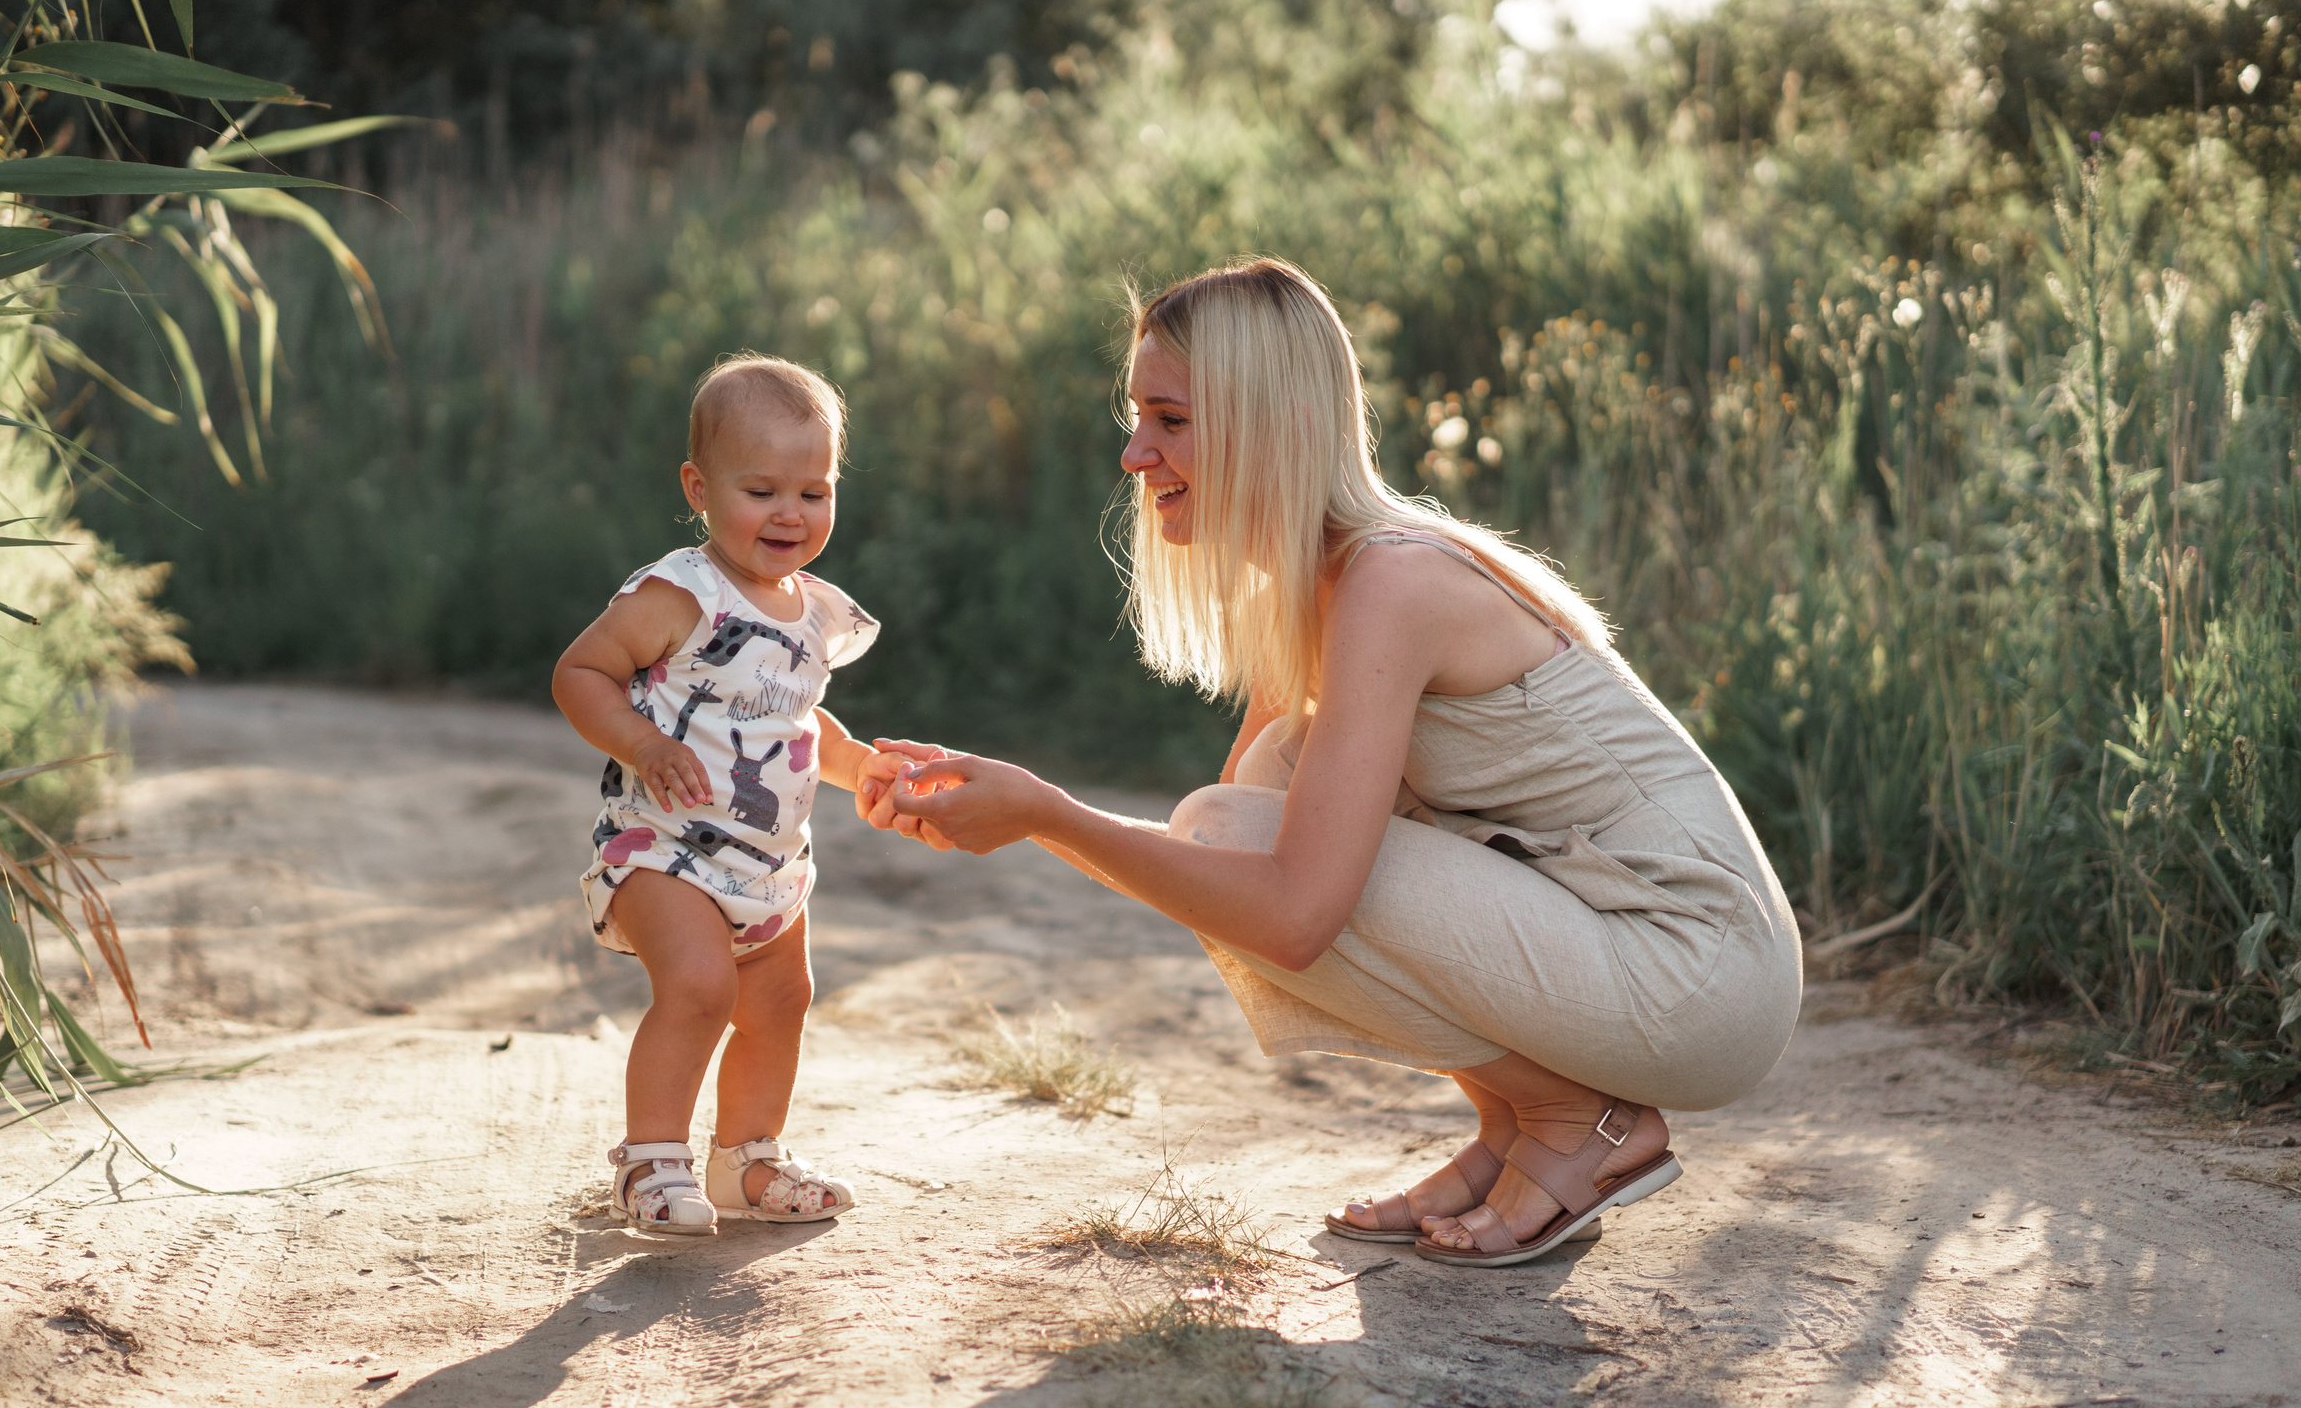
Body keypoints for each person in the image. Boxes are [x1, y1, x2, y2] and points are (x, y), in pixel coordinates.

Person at [868, 258, 1802, 1268]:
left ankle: (1576, 1123)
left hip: (1698, 972)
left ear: (1274, 422)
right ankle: (1516, 1127)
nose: (1135, 454)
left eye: (1170, 419)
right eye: (1136, 417)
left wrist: (1048, 815)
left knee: (1238, 833)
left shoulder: (1392, 580)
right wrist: (1021, 814)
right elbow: (1230, 886)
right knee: (1250, 799)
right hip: (1646, 956)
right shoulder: (1321, 591)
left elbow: (1290, 910)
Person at [554, 355, 902, 1235]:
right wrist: (643, 741)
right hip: (664, 848)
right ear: (699, 488)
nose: (790, 513)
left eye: (813, 492)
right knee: (701, 986)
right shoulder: (680, 593)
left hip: (770, 866)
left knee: (782, 1001)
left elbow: (796, 719)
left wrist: (858, 766)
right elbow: (581, 672)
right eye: (762, 490)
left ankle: (748, 1160)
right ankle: (652, 1159)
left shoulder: (812, 611)